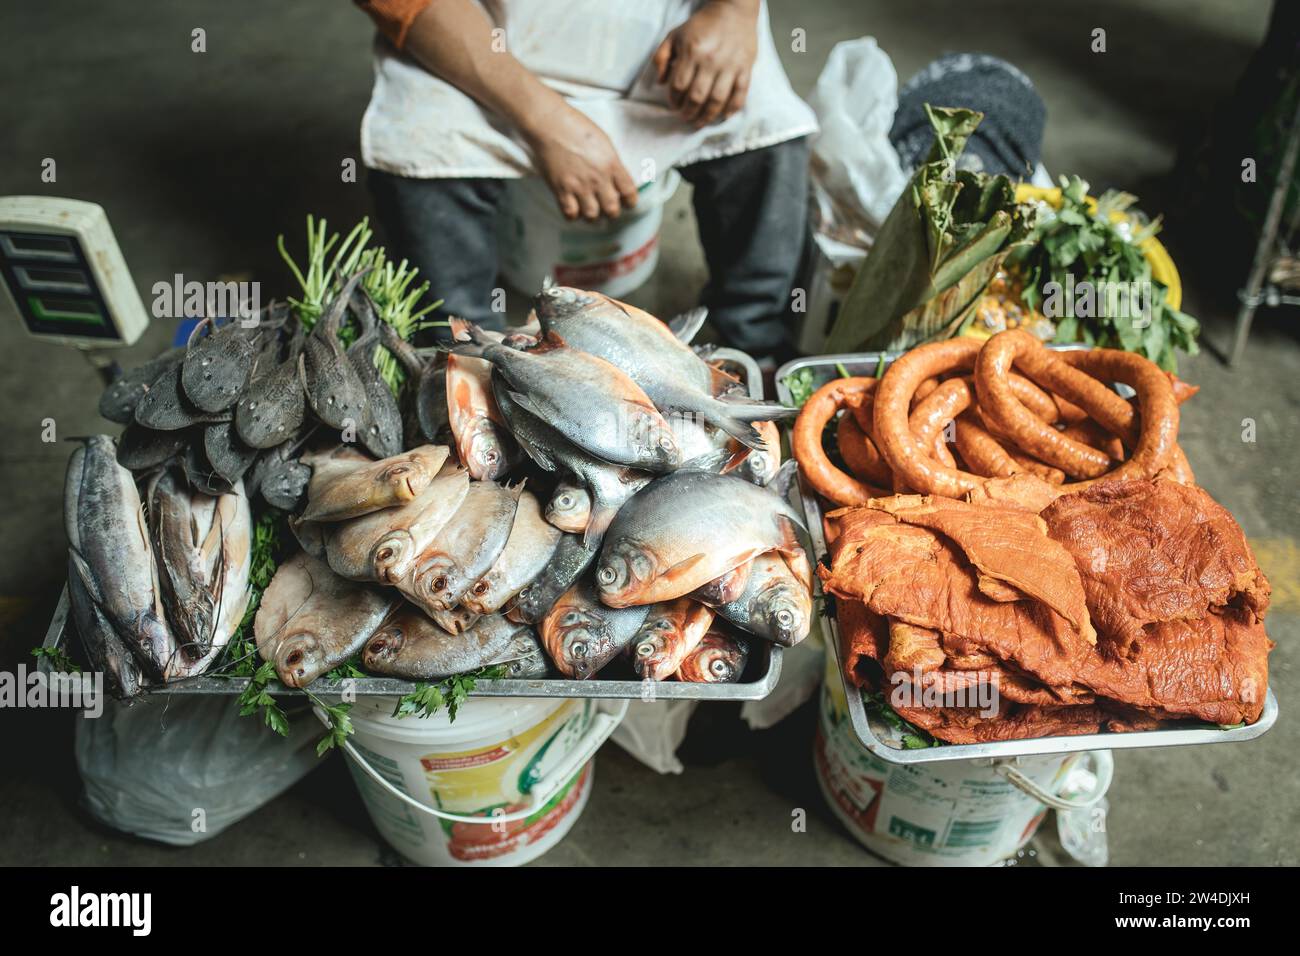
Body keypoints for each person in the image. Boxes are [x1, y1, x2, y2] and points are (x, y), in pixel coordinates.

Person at [353, 0, 817, 359]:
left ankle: (755, 342)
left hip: (665, 30)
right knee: (417, 151)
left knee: (768, 134)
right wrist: (549, 124)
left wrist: (732, 11)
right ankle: (465, 358)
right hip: (478, 44)